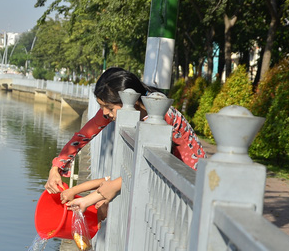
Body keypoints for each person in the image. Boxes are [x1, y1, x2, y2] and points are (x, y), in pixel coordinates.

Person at [44, 67, 206, 215]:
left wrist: (94, 197)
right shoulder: (124, 108)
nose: (105, 113)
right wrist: (55, 168)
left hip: (189, 189)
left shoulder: (158, 117)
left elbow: (142, 168)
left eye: (109, 107)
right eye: (101, 107)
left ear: (132, 101)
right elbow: (82, 136)